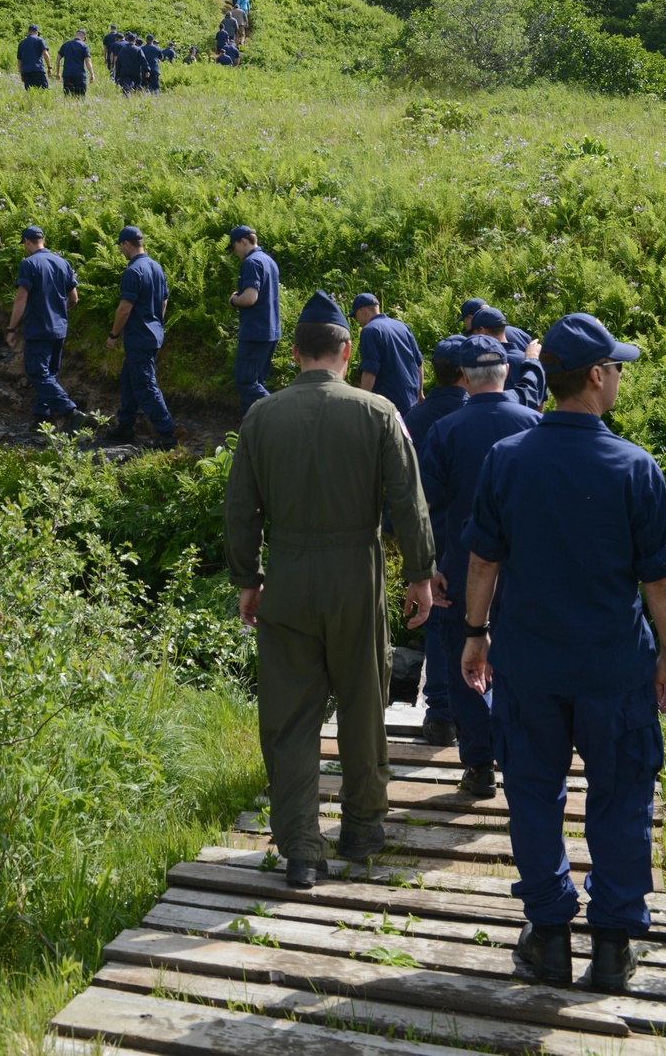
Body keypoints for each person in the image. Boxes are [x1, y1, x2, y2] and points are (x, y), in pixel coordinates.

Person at [461, 312, 666, 992]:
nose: (618, 376)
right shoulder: (633, 467)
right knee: (620, 799)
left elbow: (482, 561)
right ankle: (614, 948)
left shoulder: (508, 460)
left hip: (528, 666)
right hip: (613, 668)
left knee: (533, 795)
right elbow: (661, 582)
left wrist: (476, 636)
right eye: (616, 368)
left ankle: (550, 937)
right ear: (595, 376)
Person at [223, 289, 436, 889]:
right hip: (356, 572)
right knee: (364, 702)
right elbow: (408, 501)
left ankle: (299, 850)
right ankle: (364, 829)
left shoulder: (261, 416)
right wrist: (420, 574)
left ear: (294, 354)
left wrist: (247, 578)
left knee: (289, 717)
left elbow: (240, 510)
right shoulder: (378, 413)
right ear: (347, 350)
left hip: (287, 573)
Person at [419, 335, 540, 793]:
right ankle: (523, 756)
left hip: (461, 567)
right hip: (524, 574)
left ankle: (479, 766)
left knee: (464, 664)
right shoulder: (534, 423)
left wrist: (426, 565)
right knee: (521, 667)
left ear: (465, 378)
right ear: (506, 371)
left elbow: (422, 503)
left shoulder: (446, 430)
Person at [403, 334, 469, 748]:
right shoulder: (475, 417)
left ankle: (442, 714)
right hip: (480, 541)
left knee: (438, 621)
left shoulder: (413, 416)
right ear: (466, 373)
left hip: (431, 538)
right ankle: (483, 712)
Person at [6, 226, 86, 434]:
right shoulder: (63, 263)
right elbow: (74, 298)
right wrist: (57, 310)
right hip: (59, 328)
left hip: (38, 328)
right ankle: (42, 418)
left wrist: (11, 328)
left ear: (26, 242)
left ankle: (71, 412)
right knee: (49, 373)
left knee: (37, 372)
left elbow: (21, 298)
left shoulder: (29, 264)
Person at [104, 226, 177, 450]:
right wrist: (156, 324)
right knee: (129, 379)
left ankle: (167, 435)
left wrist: (113, 335)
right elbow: (164, 302)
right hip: (153, 334)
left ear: (127, 244)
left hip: (139, 337)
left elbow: (124, 309)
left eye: (121, 247)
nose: (121, 252)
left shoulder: (133, 271)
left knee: (145, 385)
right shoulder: (156, 267)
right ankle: (125, 426)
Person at [228, 225, 281, 415]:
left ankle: (281, 417)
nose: (234, 252)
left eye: (234, 246)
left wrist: (234, 300)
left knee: (246, 382)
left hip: (255, 332)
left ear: (243, 241)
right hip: (270, 331)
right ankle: (249, 433)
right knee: (256, 382)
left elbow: (250, 298)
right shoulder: (269, 261)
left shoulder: (250, 263)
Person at [351, 293, 423, 417]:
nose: (357, 321)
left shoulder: (369, 331)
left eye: (355, 316)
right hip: (411, 401)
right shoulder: (402, 326)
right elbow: (419, 362)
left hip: (389, 406)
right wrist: (420, 392)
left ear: (362, 311)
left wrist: (362, 404)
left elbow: (370, 371)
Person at [470, 306, 546, 407]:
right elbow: (539, 400)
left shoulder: (480, 361)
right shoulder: (529, 359)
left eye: (474, 334)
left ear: (482, 331)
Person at [459, 296, 531, 354]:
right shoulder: (519, 333)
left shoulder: (476, 342)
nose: (464, 325)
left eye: (464, 320)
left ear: (470, 318)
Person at [56, 29, 95, 96]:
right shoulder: (84, 46)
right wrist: (92, 74)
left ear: (75, 35)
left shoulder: (66, 45)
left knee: (68, 97)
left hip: (67, 74)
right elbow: (87, 61)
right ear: (84, 37)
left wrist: (58, 73)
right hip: (79, 75)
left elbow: (58, 58)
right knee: (80, 97)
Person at [17, 24, 51, 89]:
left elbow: (19, 61)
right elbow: (45, 54)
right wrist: (49, 68)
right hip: (38, 70)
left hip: (26, 72)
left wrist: (22, 74)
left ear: (28, 32)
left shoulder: (21, 43)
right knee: (43, 91)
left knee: (30, 93)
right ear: (37, 32)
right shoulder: (40, 40)